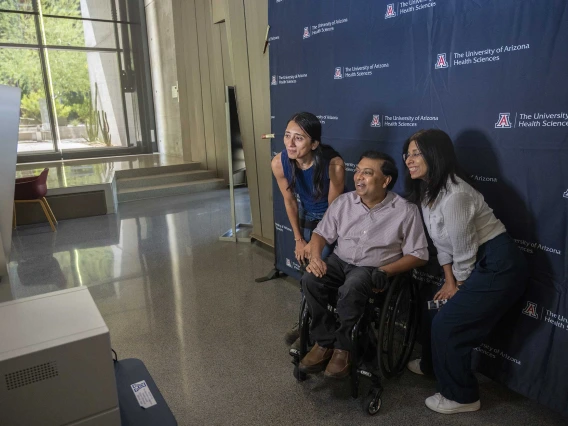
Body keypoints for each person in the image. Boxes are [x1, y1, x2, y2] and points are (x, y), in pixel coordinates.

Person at [402, 129, 528, 414]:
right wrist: (449, 282)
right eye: (407, 153)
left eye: (416, 153)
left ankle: (462, 396)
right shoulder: (427, 191)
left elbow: (465, 250)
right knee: (434, 307)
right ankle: (431, 366)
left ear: (436, 155)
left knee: (449, 323)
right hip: (470, 261)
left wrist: (458, 285)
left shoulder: (456, 193)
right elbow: (440, 243)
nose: (408, 159)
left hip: (497, 264)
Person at [298, 151, 428, 379]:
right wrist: (316, 257)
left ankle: (343, 348)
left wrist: (386, 271)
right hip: (339, 261)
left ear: (386, 180)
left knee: (353, 286)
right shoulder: (344, 202)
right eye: (357, 171)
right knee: (310, 279)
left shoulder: (406, 211)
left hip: (372, 268)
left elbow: (419, 254)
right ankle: (323, 341)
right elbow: (320, 234)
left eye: (367, 173)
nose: (358, 177)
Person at [271, 112, 345, 349]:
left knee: (315, 268)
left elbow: (334, 214)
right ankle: (309, 318)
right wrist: (298, 239)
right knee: (307, 266)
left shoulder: (334, 164)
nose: (290, 144)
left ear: (314, 143)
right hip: (308, 216)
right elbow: (290, 200)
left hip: (333, 219)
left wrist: (314, 245)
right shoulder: (278, 163)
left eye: (299, 138)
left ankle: (312, 328)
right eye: (287, 136)